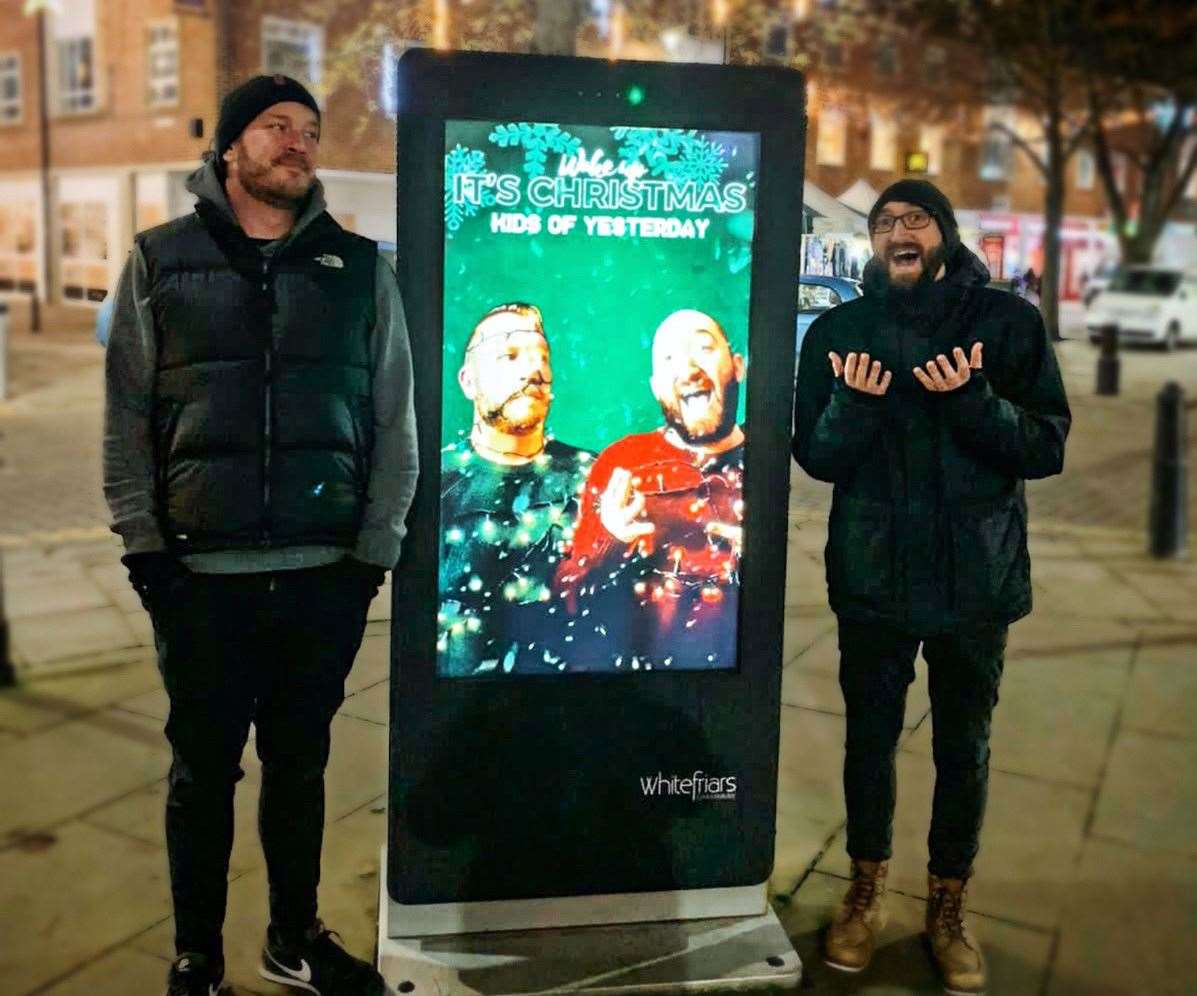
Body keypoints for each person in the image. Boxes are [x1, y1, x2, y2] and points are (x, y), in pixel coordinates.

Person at [103, 75, 418, 996]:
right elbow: (126, 416)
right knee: (202, 773)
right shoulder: (160, 261)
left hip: (324, 574)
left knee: (301, 766)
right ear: (231, 146)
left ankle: (293, 934)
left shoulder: (359, 268)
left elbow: (394, 415)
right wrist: (146, 551)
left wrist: (374, 550)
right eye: (276, 126)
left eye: (310, 130)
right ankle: (197, 954)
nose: (297, 142)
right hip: (201, 577)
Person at [792, 180, 1069, 994]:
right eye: (883, 223)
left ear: (944, 234)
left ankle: (948, 904)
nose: (895, 232)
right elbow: (817, 455)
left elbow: (1045, 446)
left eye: (913, 219)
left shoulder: (1006, 323)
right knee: (868, 740)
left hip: (973, 577)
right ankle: (865, 886)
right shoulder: (841, 331)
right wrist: (852, 404)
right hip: (874, 573)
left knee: (964, 746)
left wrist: (971, 400)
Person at [555, 309, 745, 671]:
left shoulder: (763, 460)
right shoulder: (623, 463)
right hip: (641, 683)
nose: (688, 368)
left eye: (704, 347)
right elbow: (569, 600)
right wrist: (607, 541)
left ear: (738, 366)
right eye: (670, 358)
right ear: (657, 387)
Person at [439, 302, 591, 675]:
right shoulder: (435, 480)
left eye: (543, 357)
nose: (534, 370)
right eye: (509, 356)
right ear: (467, 381)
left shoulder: (596, 478)